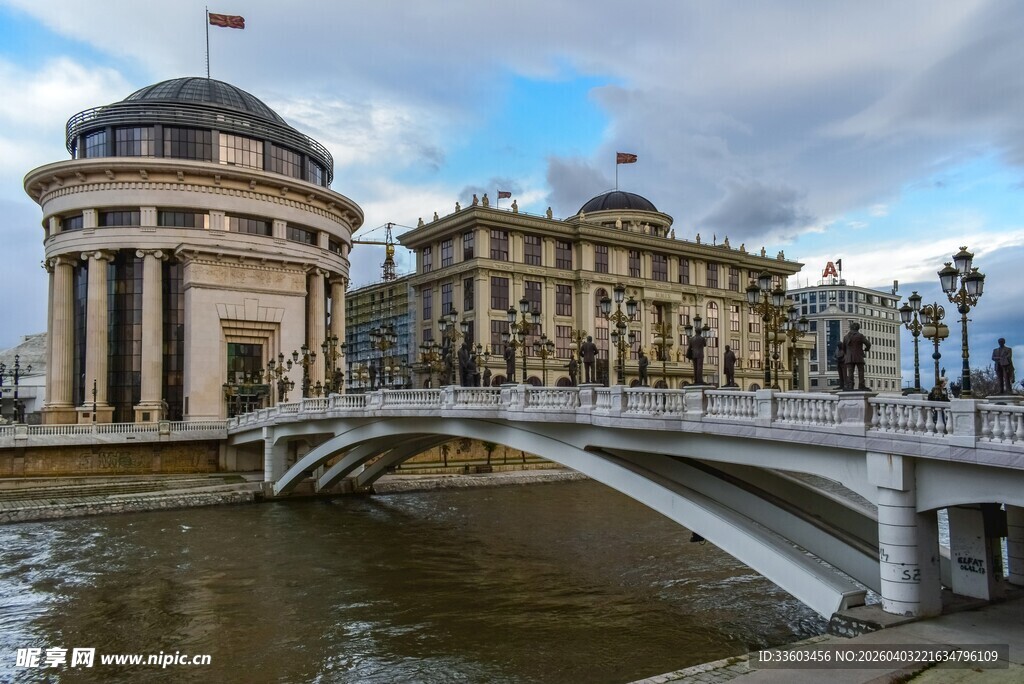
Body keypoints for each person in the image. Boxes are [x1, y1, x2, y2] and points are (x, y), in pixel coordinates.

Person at [842, 322, 871, 390]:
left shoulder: (846, 337)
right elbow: (868, 344)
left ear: (851, 328)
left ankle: (850, 386)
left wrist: (847, 354)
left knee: (850, 372)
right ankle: (861, 385)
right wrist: (867, 349)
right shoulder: (860, 336)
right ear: (858, 328)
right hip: (858, 356)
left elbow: (843, 348)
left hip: (849, 357)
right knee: (861, 371)